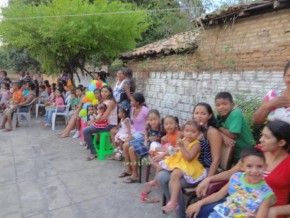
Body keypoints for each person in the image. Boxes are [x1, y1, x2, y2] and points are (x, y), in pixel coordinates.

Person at [192, 120, 290, 218]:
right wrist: (209, 179)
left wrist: (275, 210)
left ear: (281, 142)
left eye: (267, 137)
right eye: (262, 134)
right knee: (199, 212)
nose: (261, 139)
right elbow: (233, 172)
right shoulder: (258, 152)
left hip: (267, 212)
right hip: (241, 205)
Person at [157, 102, 222, 218]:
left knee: (173, 183)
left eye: (203, 113)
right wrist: (165, 152)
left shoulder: (212, 132)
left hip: (202, 170)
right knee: (161, 177)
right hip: (186, 165)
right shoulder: (190, 129)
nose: (199, 116)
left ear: (210, 116)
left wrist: (208, 180)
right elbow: (178, 148)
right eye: (196, 113)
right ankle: (175, 206)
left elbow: (216, 160)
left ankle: (180, 215)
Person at [187, 147, 276, 218]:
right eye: (249, 166)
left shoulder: (266, 193)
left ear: (265, 167)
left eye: (259, 166)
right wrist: (199, 203)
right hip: (220, 214)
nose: (254, 170)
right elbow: (219, 195)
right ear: (242, 166)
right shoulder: (236, 177)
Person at [161, 120, 207, 213]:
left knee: (175, 175)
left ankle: (173, 202)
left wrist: (181, 147)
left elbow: (189, 158)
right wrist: (164, 154)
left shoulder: (197, 144)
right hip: (179, 162)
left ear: (198, 134)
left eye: (193, 132)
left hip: (189, 165)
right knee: (162, 169)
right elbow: (176, 151)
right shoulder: (183, 140)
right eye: (187, 131)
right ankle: (172, 201)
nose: (189, 134)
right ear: (183, 131)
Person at [215, 91, 255, 163]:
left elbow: (233, 135)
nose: (221, 107)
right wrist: (223, 136)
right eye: (218, 105)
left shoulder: (236, 113)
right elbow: (212, 128)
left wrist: (219, 128)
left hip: (248, 152)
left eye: (225, 104)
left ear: (232, 105)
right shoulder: (219, 117)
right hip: (235, 154)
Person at [118, 93, 149, 183]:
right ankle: (129, 169)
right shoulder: (133, 109)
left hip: (143, 134)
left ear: (138, 102)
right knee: (125, 146)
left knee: (128, 144)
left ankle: (135, 174)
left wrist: (145, 135)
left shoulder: (146, 111)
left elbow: (149, 125)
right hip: (135, 132)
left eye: (132, 101)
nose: (130, 102)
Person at [82, 85, 117, 161]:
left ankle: (93, 153)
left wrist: (94, 120)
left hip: (109, 124)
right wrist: (93, 120)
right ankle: (92, 149)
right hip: (102, 123)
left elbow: (104, 117)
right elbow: (99, 115)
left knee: (86, 131)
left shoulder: (111, 102)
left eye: (106, 92)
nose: (103, 93)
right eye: (102, 91)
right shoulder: (104, 101)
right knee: (87, 127)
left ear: (110, 92)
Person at [144, 109, 165, 187]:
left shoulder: (162, 127)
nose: (153, 122)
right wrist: (145, 140)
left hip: (160, 146)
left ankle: (158, 165)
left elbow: (165, 141)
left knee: (151, 154)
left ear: (159, 118)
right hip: (151, 145)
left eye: (155, 119)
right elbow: (145, 130)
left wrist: (157, 139)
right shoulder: (148, 125)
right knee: (150, 151)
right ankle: (158, 164)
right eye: (151, 120)